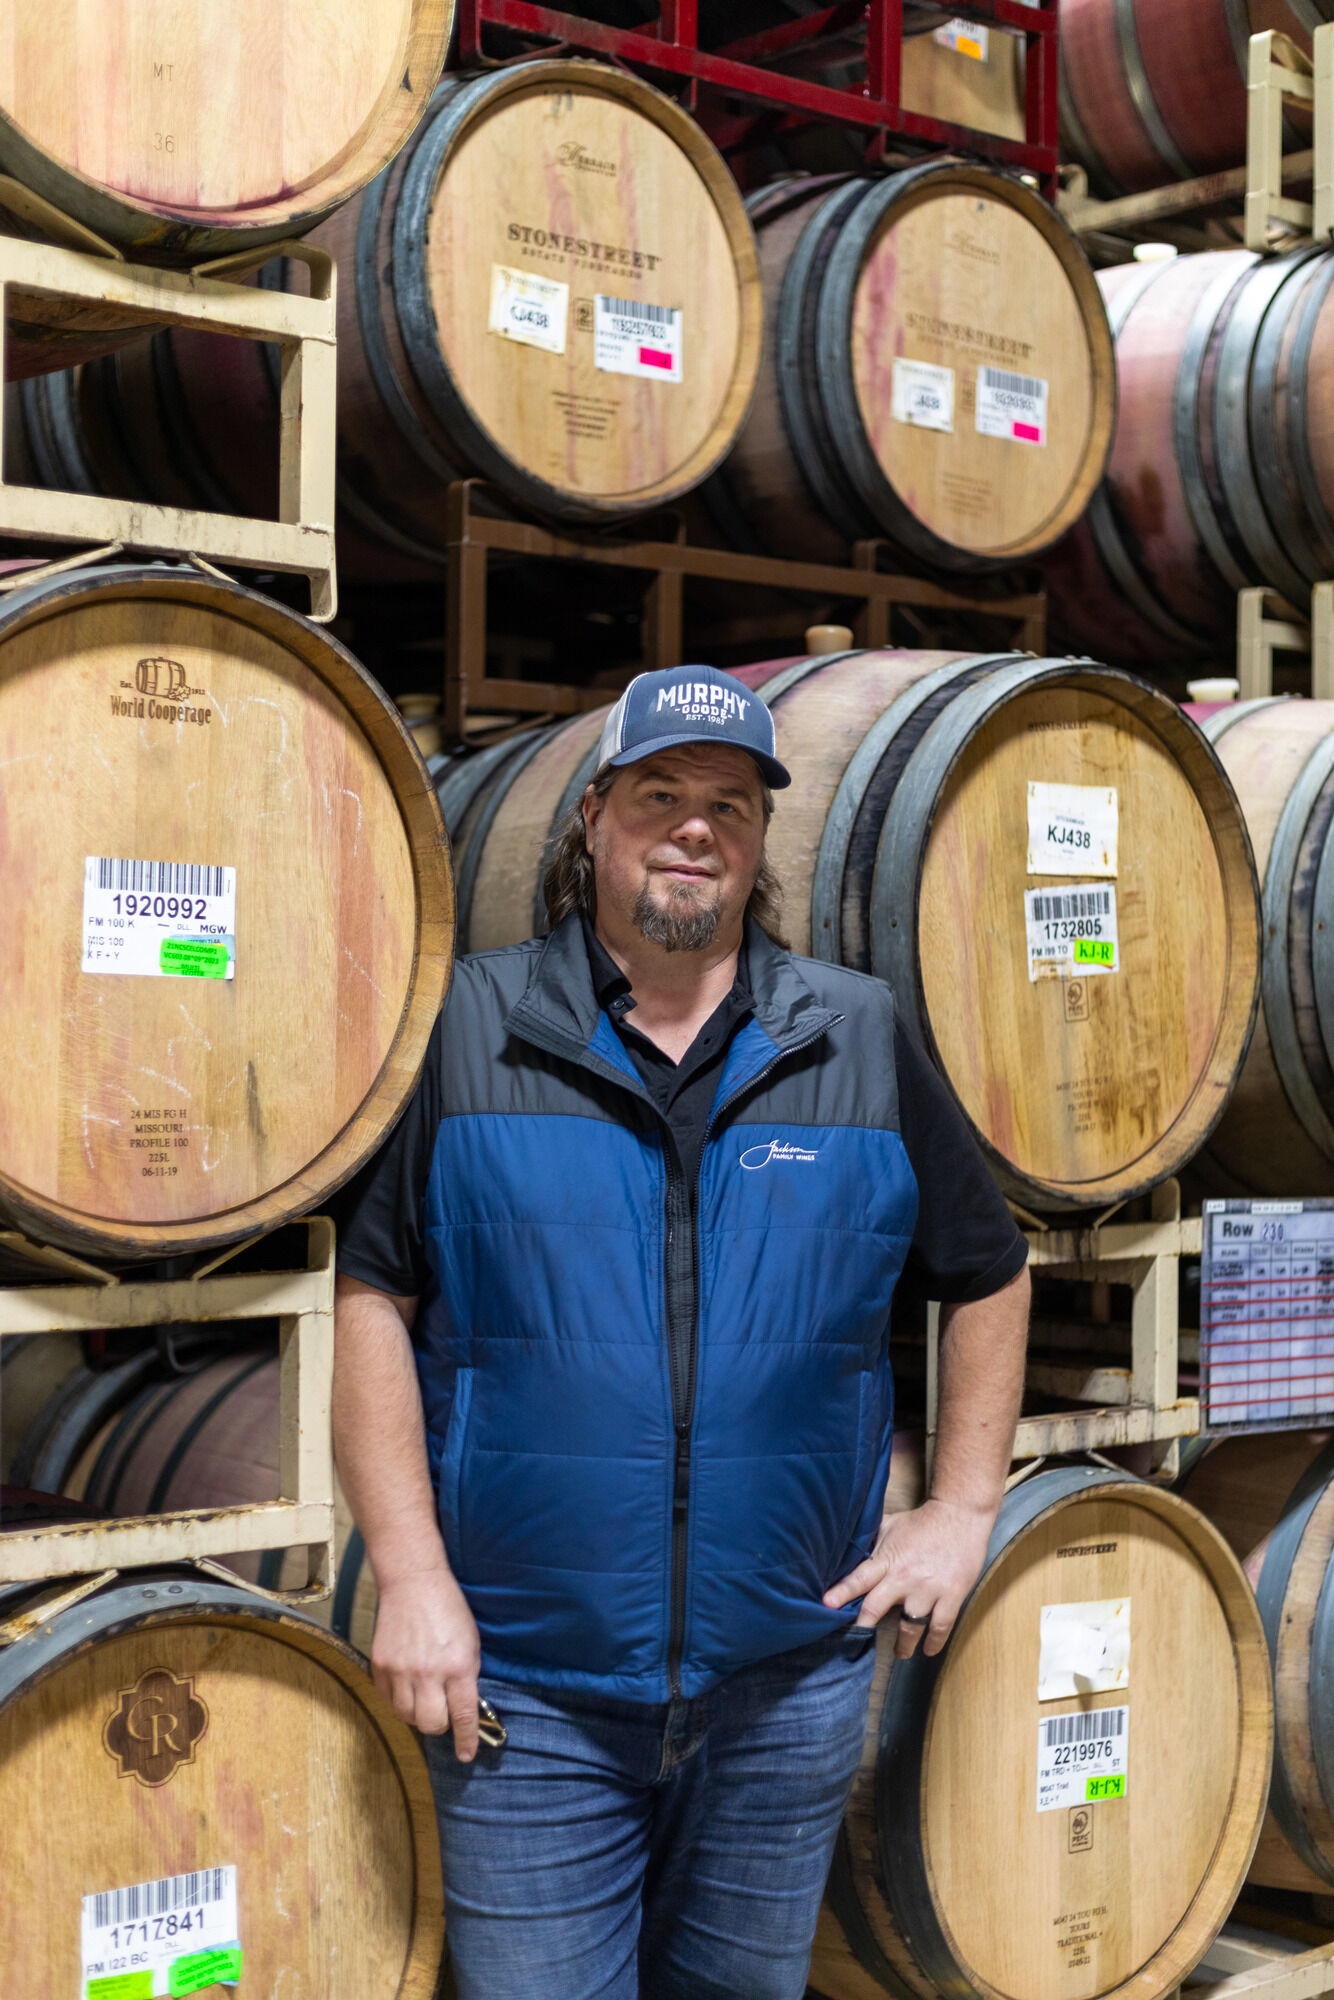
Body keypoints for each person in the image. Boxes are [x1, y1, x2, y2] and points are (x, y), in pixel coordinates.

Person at [333, 662, 1030, 2000]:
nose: (695, 825)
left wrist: (960, 1506)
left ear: (762, 840)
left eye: (730, 802)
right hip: (523, 1693)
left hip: (786, 1683)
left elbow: (986, 1269)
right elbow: (375, 1295)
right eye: (660, 794)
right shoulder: (467, 1027)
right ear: (593, 818)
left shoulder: (856, 1035)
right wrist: (412, 1577)